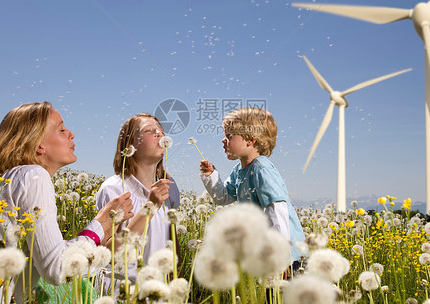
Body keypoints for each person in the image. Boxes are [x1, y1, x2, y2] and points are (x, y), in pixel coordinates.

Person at [0, 101, 134, 303]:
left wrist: (102, 241)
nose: (71, 134)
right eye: (61, 129)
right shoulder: (33, 175)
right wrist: (100, 223)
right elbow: (57, 269)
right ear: (38, 144)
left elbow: (40, 262)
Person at [199, 107, 305, 270]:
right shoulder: (239, 171)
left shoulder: (262, 169)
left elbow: (276, 210)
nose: (223, 140)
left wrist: (282, 257)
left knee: (286, 294)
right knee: (272, 295)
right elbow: (223, 197)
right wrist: (211, 175)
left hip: (290, 256)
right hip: (267, 252)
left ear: (250, 140)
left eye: (229, 136)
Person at [96, 113, 180, 289]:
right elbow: (108, 253)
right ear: (130, 145)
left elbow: (173, 247)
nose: (159, 134)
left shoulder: (170, 189)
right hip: (122, 291)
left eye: (161, 131)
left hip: (159, 292)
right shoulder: (114, 189)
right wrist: (149, 208)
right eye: (149, 131)